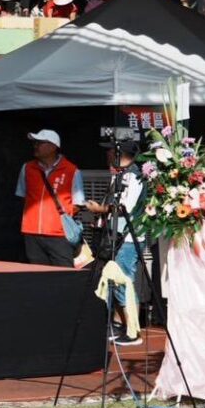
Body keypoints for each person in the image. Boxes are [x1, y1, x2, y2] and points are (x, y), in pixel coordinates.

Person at [86, 140, 144, 344]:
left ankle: (133, 331)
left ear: (119, 153)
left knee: (123, 281)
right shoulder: (120, 174)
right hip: (115, 236)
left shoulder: (134, 176)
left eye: (110, 151)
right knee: (113, 280)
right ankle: (119, 324)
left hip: (128, 238)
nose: (107, 155)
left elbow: (124, 207)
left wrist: (101, 209)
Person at [16, 129, 85, 267]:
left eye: (40, 143)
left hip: (59, 234)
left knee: (63, 273)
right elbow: (23, 196)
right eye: (35, 143)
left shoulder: (71, 170)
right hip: (32, 232)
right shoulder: (27, 168)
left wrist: (57, 220)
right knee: (37, 273)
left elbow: (78, 203)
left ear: (53, 147)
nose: (35, 146)